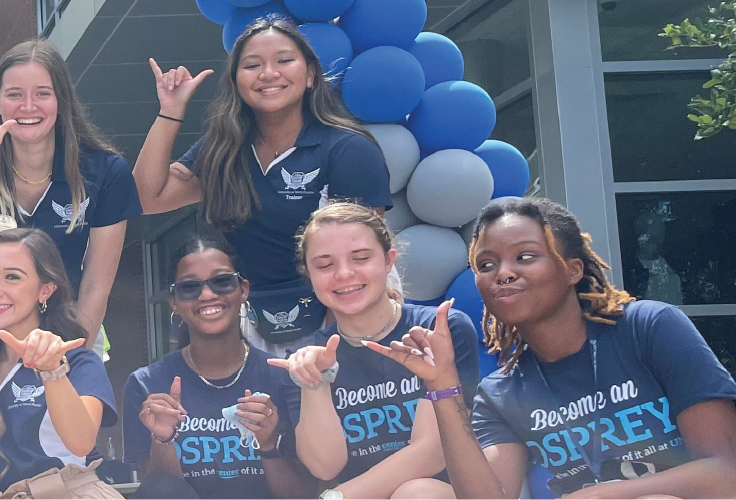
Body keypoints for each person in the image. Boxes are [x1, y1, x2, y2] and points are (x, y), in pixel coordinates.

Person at [366, 198, 736, 500]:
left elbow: (728, 475)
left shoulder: (648, 328)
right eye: (486, 264)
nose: (503, 272)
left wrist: (600, 494)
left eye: (525, 256)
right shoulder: (502, 391)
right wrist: (442, 386)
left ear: (573, 270)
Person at [133, 19, 390, 358]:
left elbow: (360, 261)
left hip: (346, 315)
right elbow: (145, 197)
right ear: (237, 81)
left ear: (311, 74)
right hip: (255, 323)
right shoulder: (224, 149)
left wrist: (325, 347)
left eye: (284, 61)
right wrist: (170, 111)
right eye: (252, 65)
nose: (269, 73)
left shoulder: (347, 149)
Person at [0, 39, 140, 355]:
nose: (28, 107)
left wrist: (70, 356)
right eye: (14, 95)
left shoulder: (104, 171)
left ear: (62, 100)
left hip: (71, 326)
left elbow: (96, 286)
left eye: (43, 93)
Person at [268, 202, 480, 500]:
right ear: (309, 274)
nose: (344, 273)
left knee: (416, 494)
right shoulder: (305, 356)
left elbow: (433, 453)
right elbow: (325, 467)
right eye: (325, 264)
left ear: (388, 260)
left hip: (438, 492)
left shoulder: (439, 330)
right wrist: (315, 383)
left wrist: (336, 499)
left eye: (361, 258)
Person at [123, 237, 311, 499]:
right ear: (174, 301)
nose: (207, 295)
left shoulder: (283, 376)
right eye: (190, 287)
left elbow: (305, 494)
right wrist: (163, 439)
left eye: (222, 282)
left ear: (243, 289)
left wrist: (268, 446)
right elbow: (157, 492)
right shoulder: (147, 383)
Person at [0, 228, 119, 499]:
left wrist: (52, 370)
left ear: (45, 290)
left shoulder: (78, 361)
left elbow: (81, 442)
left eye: (12, 277)